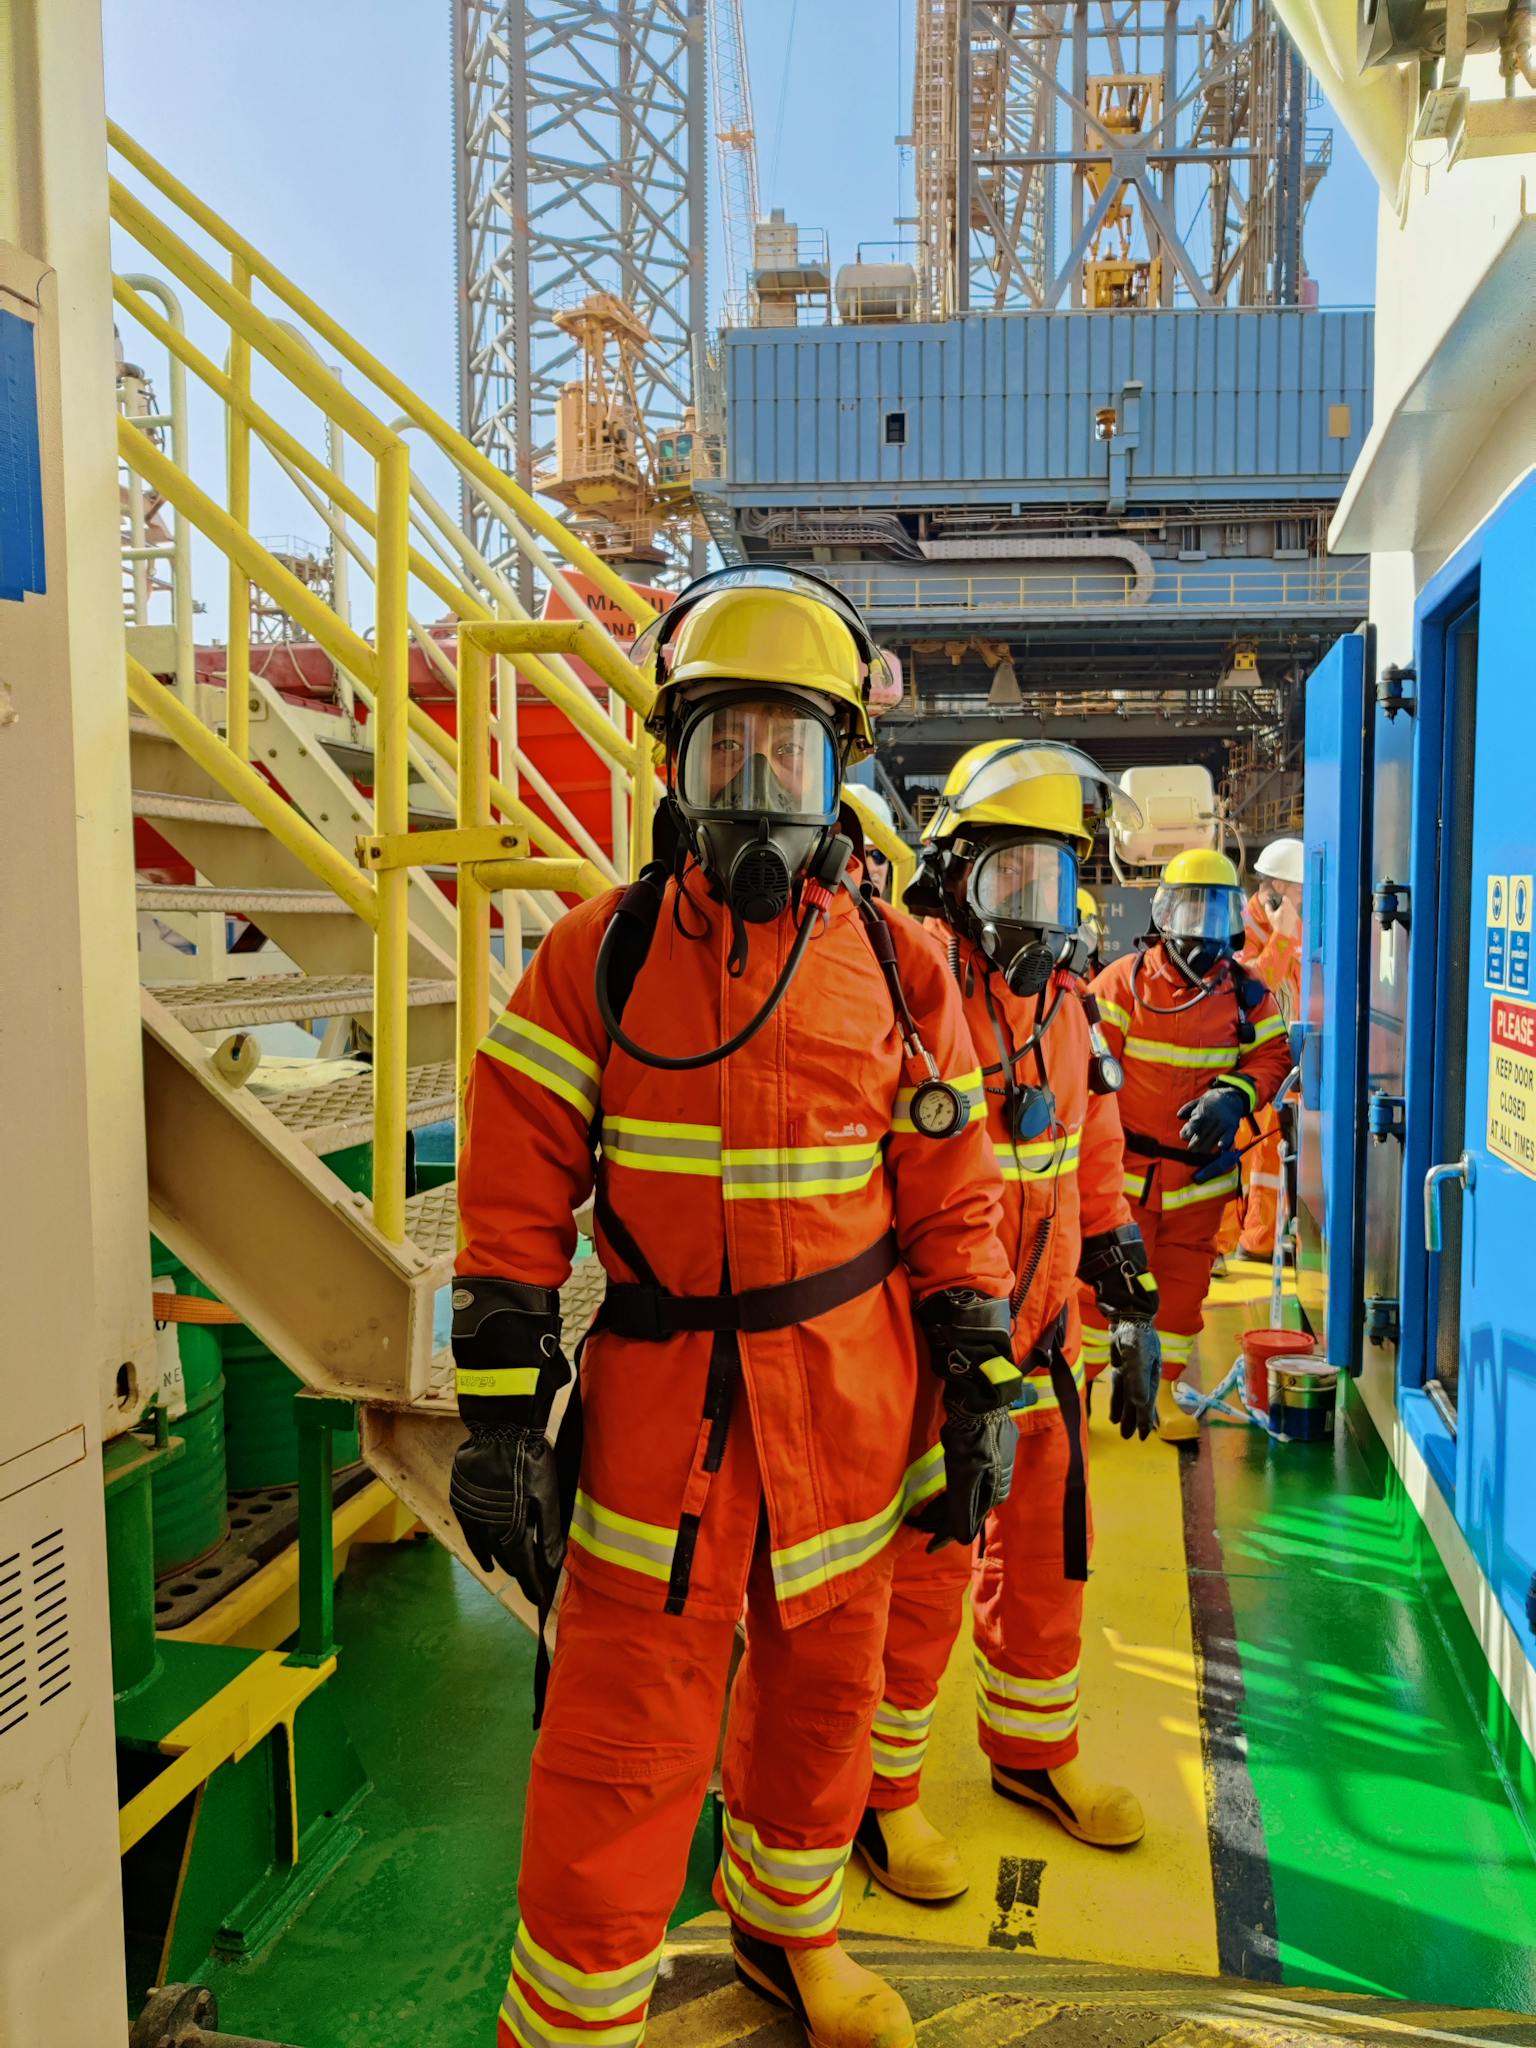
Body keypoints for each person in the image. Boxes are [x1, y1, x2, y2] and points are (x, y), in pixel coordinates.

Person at [451, 565, 1017, 2048]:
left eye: (791, 751)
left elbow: (954, 1191)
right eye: (728, 749)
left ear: (840, 778)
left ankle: (786, 1932)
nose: (758, 789)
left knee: (825, 1703)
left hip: (850, 1414)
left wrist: (982, 1378)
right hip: (664, 1430)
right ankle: (575, 2022)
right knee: (619, 1740)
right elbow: (512, 1196)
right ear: (674, 765)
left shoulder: (900, 968)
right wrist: (498, 1419)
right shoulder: (601, 957)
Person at [856, 742, 1163, 1903]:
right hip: (940, 1348)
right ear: (953, 875)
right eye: (1009, 877)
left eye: (1054, 879)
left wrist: (1122, 1271)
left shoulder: (1070, 1011)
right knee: (927, 1567)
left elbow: (1092, 1152)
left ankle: (1034, 1749)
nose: (1035, 908)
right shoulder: (913, 992)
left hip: (1042, 1342)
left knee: (1047, 1556)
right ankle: (879, 1792)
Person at [1080, 849, 1292, 1442]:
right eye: (1189, 907)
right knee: (1099, 1288)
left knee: (1182, 1292)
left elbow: (1273, 1055)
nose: (1201, 925)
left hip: (1199, 1183)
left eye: (1214, 909)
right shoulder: (1122, 983)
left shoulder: (1247, 995)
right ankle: (1081, 1388)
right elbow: (1084, 1064)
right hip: (1126, 1178)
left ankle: (1165, 1388)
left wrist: (1234, 1095)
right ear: (1164, 913)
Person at [1235, 839, 1303, 1260]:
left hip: (1288, 1058)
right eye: (1299, 889)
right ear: (1277, 887)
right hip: (1253, 1062)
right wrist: (1283, 935)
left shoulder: (1291, 925)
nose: (1305, 897)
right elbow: (1251, 990)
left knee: (1279, 1153)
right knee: (1262, 1154)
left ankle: (1273, 1235)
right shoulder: (1245, 927)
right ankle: (1255, 1242)